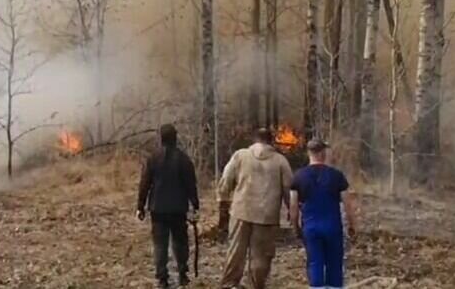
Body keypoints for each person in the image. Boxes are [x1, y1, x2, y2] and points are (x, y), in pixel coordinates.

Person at [218, 128, 293, 289]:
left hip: (241, 212)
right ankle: (255, 285)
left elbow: (226, 180)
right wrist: (291, 211)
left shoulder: (240, 155)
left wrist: (223, 202)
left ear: (254, 140)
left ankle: (229, 284)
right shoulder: (280, 161)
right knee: (261, 257)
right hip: (267, 215)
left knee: (235, 252)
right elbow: (289, 189)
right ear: (271, 141)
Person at [136, 124, 200, 288]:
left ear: (160, 138)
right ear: (175, 138)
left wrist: (140, 206)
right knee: (180, 242)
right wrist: (195, 205)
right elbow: (191, 185)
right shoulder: (184, 159)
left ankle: (162, 278)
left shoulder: (152, 159)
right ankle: (183, 274)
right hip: (178, 208)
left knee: (160, 244)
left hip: (158, 208)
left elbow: (144, 184)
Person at [289, 139, 357, 289]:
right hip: (333, 227)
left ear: (309, 153)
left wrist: (295, 226)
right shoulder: (337, 175)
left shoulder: (298, 176)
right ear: (323, 153)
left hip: (311, 227)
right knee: (334, 263)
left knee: (314, 262)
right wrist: (352, 225)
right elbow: (348, 205)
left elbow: (293, 206)